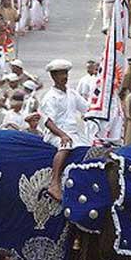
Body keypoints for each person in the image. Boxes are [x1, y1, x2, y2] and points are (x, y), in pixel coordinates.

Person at [41, 59, 89, 201]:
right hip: (56, 134)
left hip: (74, 133)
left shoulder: (72, 94)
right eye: (61, 73)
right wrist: (62, 135)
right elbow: (48, 122)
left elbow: (87, 108)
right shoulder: (50, 97)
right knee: (66, 146)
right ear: (53, 76)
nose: (65, 76)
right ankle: (54, 182)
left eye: (66, 73)